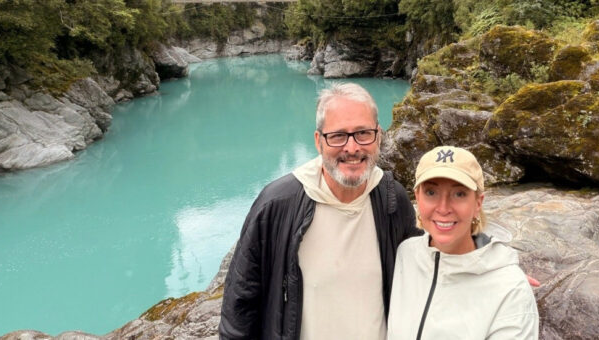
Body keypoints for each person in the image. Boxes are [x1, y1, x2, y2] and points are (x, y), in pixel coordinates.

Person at [218, 82, 420, 340]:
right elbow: (239, 309)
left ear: (378, 136)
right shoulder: (276, 206)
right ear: (318, 141)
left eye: (363, 133)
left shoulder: (392, 200)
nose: (352, 147)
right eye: (338, 136)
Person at [387, 146, 539, 340]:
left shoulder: (510, 289)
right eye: (431, 192)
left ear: (478, 203)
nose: (443, 208)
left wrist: (502, 277)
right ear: (417, 197)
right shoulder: (405, 255)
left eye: (459, 194)